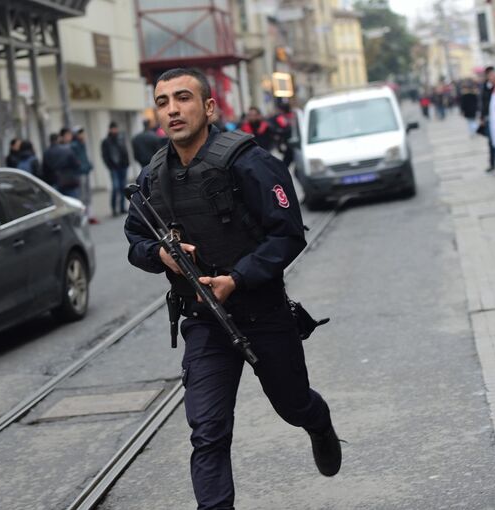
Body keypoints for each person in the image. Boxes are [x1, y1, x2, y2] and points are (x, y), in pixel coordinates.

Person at [124, 67, 342, 510]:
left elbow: (288, 234)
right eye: (163, 102)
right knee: (207, 432)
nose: (172, 109)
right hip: (204, 320)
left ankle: (318, 424)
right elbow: (135, 239)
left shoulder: (249, 161)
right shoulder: (153, 175)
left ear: (208, 107)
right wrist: (160, 256)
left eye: (182, 98)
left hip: (262, 313)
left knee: (293, 405)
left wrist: (238, 278)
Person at [101, 121, 130, 216]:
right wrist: (110, 166)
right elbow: (105, 156)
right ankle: (114, 209)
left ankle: (122, 207)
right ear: (110, 129)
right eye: (113, 128)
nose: (115, 130)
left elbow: (125, 151)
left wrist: (127, 162)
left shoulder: (121, 138)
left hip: (123, 166)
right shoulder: (106, 141)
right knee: (115, 187)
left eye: (115, 128)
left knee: (123, 188)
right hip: (114, 168)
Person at [71, 126, 98, 224]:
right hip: (80, 173)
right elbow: (76, 160)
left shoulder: (82, 144)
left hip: (85, 171)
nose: (82, 135)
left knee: (87, 194)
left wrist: (88, 165)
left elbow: (84, 157)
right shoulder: (74, 145)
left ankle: (90, 214)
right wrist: (83, 167)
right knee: (82, 195)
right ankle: (84, 215)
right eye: (80, 133)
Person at [42, 131, 81, 197]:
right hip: (68, 180)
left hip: (54, 181)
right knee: (72, 201)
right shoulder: (66, 150)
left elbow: (44, 169)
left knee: (59, 202)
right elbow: (76, 164)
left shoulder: (46, 153)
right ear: (58, 139)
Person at [479, 66, 495, 172]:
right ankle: (492, 163)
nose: (492, 77)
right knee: (491, 141)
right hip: (489, 116)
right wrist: (482, 117)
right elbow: (483, 102)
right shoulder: (485, 86)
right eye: (490, 75)